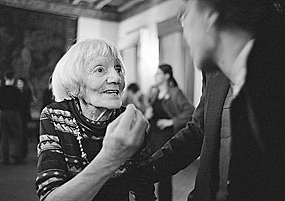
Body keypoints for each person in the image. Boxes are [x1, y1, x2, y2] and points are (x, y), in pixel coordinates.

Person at [127, 0, 285, 201]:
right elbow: (199, 130)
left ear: (211, 19)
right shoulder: (212, 74)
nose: (184, 34)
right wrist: (147, 170)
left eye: (186, 15)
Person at [35, 39, 155, 201]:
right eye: (100, 70)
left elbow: (144, 190)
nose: (116, 78)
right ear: (75, 83)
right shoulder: (55, 115)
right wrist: (110, 158)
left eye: (118, 69)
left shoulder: (131, 121)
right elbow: (49, 196)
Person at [145, 64, 194, 201]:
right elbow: (150, 112)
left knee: (164, 172)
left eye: (158, 74)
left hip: (165, 136)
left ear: (167, 76)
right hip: (152, 136)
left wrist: (172, 121)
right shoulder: (154, 92)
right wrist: (147, 114)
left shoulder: (175, 92)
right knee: (147, 170)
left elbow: (190, 111)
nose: (155, 76)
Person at [0, 71, 24, 165]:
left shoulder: (0, 90)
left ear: (5, 78)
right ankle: (17, 157)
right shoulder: (16, 91)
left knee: (4, 135)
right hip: (14, 113)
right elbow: (21, 104)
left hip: (3, 113)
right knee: (17, 135)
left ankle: (5, 158)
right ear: (13, 79)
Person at [16, 78, 33, 159]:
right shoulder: (16, 92)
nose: (19, 85)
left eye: (20, 83)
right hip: (18, 114)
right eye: (18, 83)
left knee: (23, 133)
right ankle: (20, 151)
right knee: (20, 133)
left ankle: (23, 151)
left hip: (24, 114)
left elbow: (27, 103)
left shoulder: (27, 92)